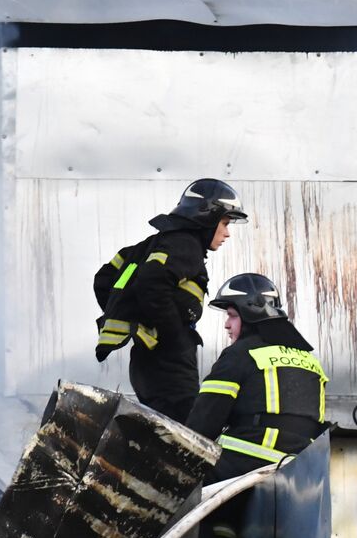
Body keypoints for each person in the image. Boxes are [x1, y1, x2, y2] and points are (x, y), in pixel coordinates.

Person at [170, 273, 327, 538]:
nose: (227, 325)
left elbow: (202, 424)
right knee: (224, 510)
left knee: (176, 489)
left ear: (250, 313)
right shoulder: (309, 359)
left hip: (246, 459)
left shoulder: (241, 355)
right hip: (297, 469)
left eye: (231, 314)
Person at [94, 179, 248, 423]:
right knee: (184, 436)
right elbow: (150, 283)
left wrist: (134, 317)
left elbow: (104, 281)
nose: (227, 233)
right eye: (225, 223)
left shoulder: (147, 246)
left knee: (164, 435)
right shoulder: (184, 245)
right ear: (208, 217)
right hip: (169, 366)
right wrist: (172, 335)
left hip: (148, 363)